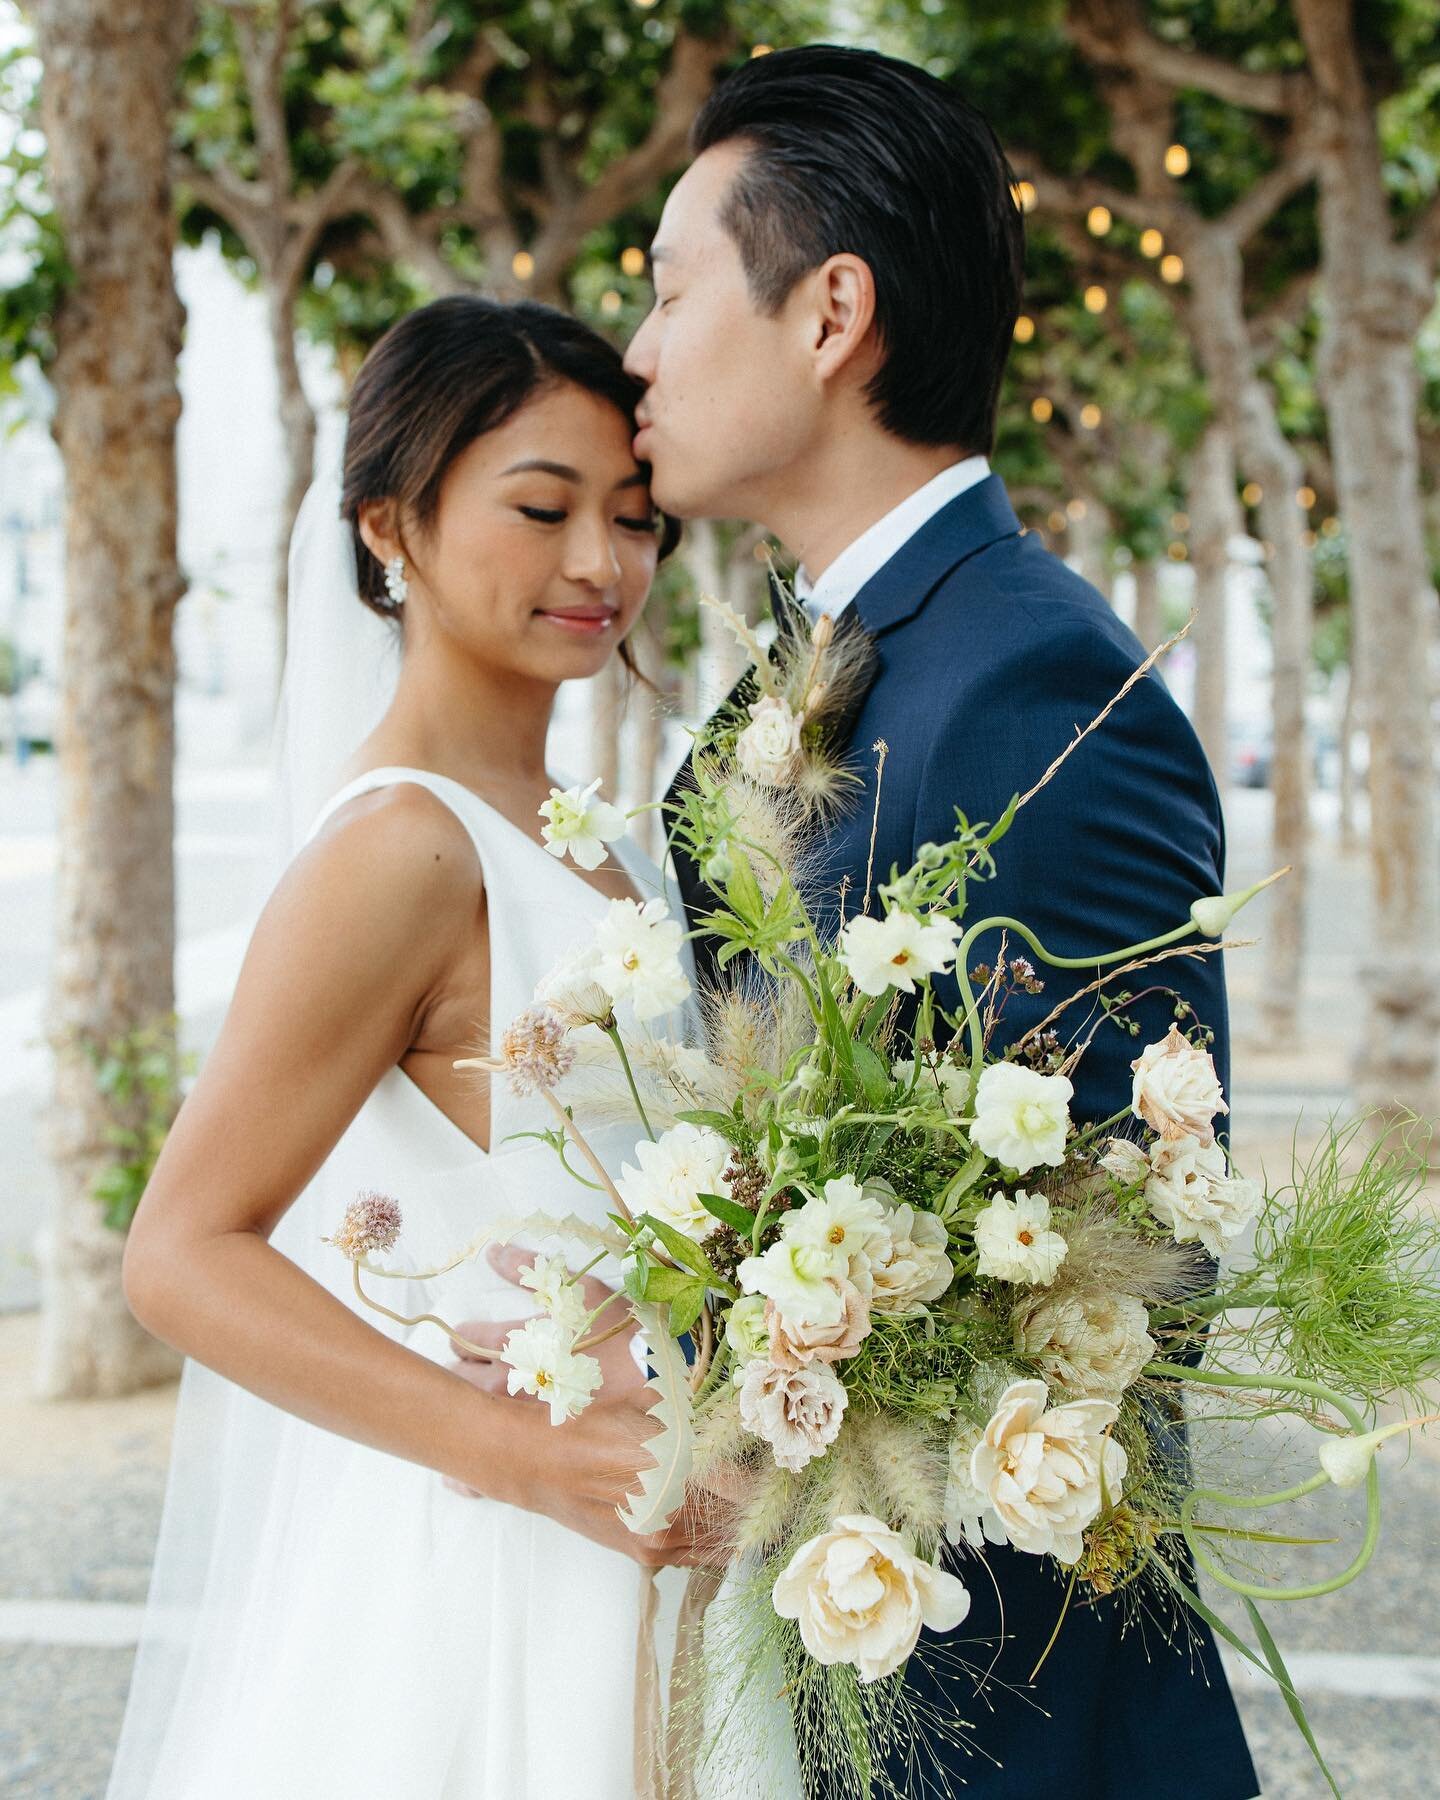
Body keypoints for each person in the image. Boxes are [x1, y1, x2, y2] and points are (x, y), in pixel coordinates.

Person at [625, 43, 1261, 1800]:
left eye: (671, 292)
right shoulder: (828, 661)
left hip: (1005, 1700)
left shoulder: (1037, 686)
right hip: (831, 1635)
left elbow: (1140, 1260)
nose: (639, 354)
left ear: (833, 313)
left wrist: (819, 1340)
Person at [107, 296, 718, 1799]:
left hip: (653, 1536)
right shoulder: (402, 849)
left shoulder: (594, 851)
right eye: (543, 508)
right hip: (495, 1569)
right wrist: (516, 1452)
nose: (602, 564)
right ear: (391, 526)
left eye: (635, 521)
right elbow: (181, 1252)